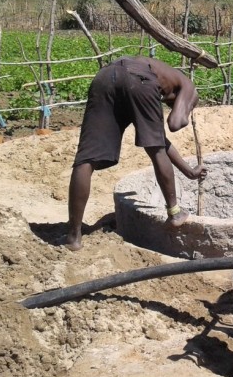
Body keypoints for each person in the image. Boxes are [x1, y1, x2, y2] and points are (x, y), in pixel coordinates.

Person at [65, 56, 207, 251]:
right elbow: (175, 124)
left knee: (86, 158)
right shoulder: (188, 86)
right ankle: (174, 212)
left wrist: (189, 172)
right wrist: (188, 110)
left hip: (104, 78)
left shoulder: (161, 73)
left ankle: (74, 235)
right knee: (155, 150)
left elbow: (160, 140)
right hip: (138, 79)